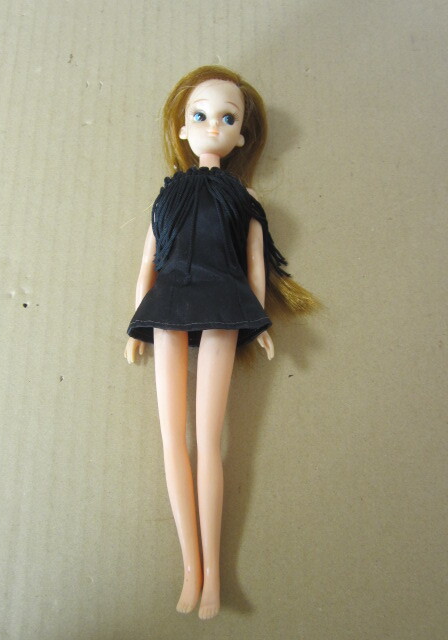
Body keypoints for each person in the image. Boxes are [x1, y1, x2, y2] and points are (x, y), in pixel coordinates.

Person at [124, 66, 317, 619]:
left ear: (241, 136)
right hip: (167, 307)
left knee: (208, 440)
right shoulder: (167, 196)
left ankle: (212, 579)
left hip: (225, 305)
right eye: (201, 115)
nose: (213, 126)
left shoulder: (243, 197)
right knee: (173, 438)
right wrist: (135, 325)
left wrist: (260, 322)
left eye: (227, 118)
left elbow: (255, 265)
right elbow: (148, 263)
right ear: (183, 129)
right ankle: (191, 570)